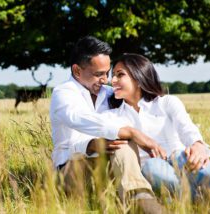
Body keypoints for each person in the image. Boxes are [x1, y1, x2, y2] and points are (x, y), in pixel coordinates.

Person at [50, 36, 166, 212]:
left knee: (121, 144)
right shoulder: (63, 93)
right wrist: (96, 143)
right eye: (98, 74)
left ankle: (141, 199)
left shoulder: (110, 93)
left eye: (107, 72)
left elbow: (146, 110)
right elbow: (77, 118)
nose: (105, 79)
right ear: (77, 71)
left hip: (110, 169)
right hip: (71, 172)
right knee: (122, 138)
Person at [109, 53, 210, 200]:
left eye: (120, 75)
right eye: (113, 75)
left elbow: (187, 128)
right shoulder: (115, 116)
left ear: (138, 78)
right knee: (152, 167)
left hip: (182, 161)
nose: (112, 80)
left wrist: (198, 145)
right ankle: (198, 198)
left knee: (185, 156)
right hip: (155, 172)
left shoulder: (167, 102)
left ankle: (192, 195)